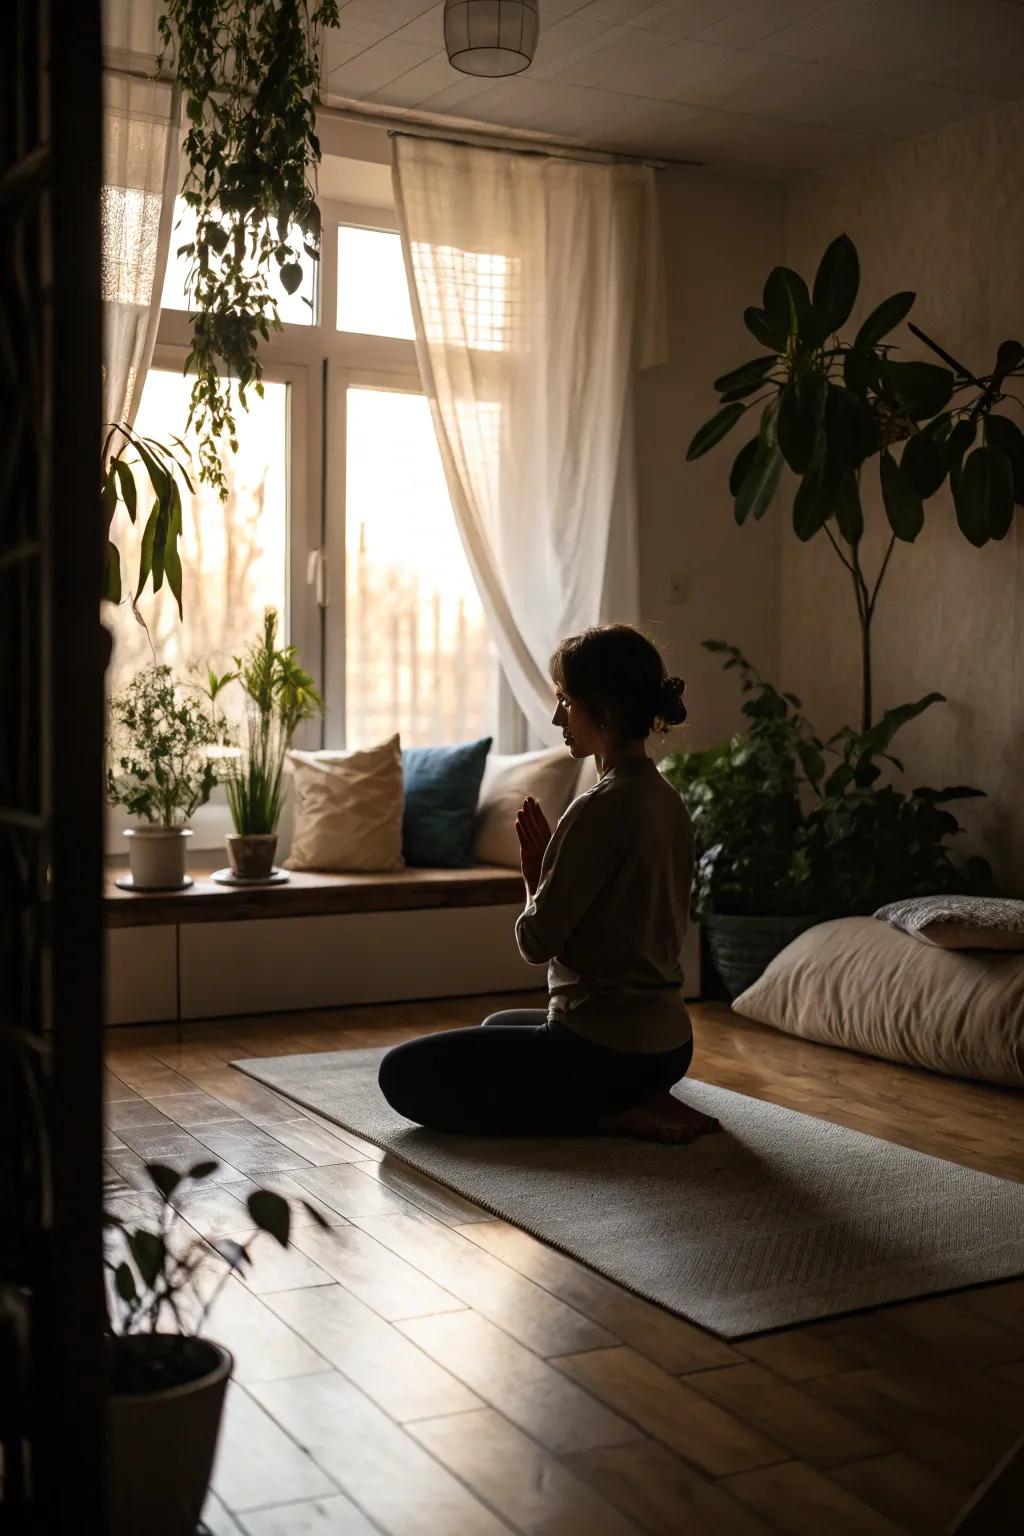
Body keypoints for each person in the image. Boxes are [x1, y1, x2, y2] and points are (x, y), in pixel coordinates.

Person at [377, 624, 721, 1145]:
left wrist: (534, 873)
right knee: (499, 1026)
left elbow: (536, 944)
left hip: (605, 1052)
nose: (558, 716)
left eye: (566, 701)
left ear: (602, 707)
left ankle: (605, 1117)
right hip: (668, 1046)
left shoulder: (598, 808)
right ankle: (637, 1093)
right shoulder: (666, 798)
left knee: (401, 1076)